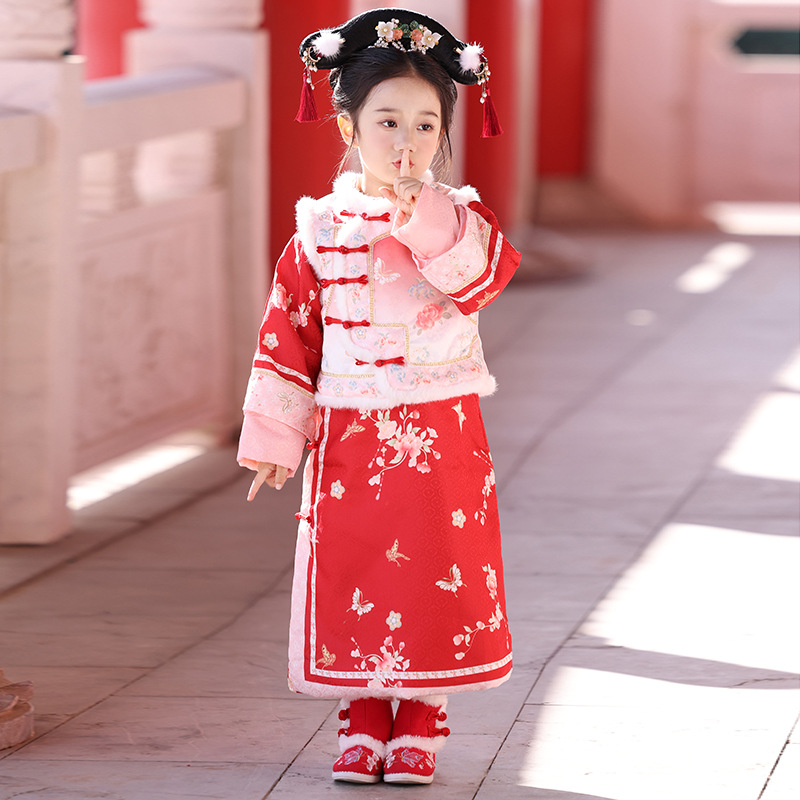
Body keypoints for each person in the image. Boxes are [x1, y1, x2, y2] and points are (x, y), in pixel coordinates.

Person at [238, 8, 521, 786]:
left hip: (440, 430)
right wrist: (274, 440)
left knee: (437, 568)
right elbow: (288, 333)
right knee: (357, 571)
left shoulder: (458, 220)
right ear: (347, 126)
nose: (407, 141)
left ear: (444, 135)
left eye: (426, 125)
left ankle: (423, 715)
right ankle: (362, 715)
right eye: (388, 120)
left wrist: (420, 215)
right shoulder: (315, 230)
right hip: (351, 436)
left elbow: (484, 281)